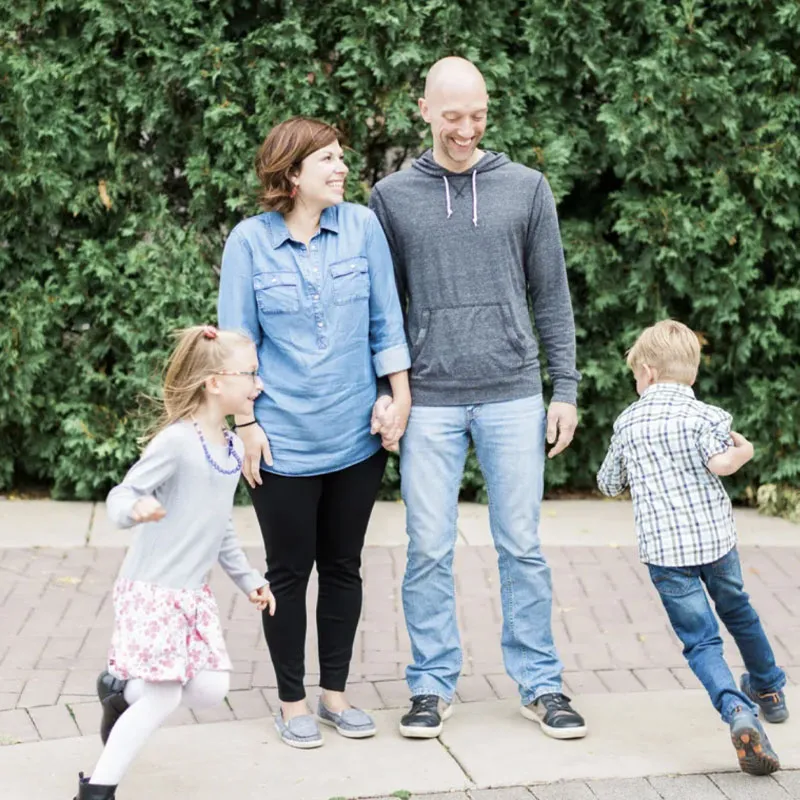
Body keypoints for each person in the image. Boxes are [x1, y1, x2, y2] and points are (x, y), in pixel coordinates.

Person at [368, 57, 587, 740]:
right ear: (425, 110)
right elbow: (383, 307)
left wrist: (567, 389)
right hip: (429, 399)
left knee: (522, 546)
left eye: (479, 114)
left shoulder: (525, 188)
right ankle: (431, 685)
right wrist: (388, 393)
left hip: (513, 394)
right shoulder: (391, 196)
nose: (467, 129)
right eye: (454, 115)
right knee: (427, 548)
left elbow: (551, 296)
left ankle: (541, 684)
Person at [217, 117, 411, 749]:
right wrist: (244, 424)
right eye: (326, 159)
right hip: (283, 442)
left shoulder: (362, 227)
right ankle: (293, 702)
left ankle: (335, 696)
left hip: (356, 438)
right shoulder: (248, 242)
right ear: (290, 173)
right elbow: (237, 343)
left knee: (345, 567)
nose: (341, 169)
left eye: (341, 158)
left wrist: (398, 398)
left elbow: (387, 322)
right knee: (288, 574)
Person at [74, 325, 276, 800]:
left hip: (191, 594)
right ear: (215, 383)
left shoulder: (227, 446)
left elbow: (219, 523)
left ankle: (120, 693)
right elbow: (123, 494)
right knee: (163, 693)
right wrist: (135, 509)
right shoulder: (177, 442)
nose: (258, 384)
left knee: (210, 687)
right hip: (151, 590)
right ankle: (96, 791)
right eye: (250, 374)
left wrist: (248, 578)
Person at [597, 319, 787, 776]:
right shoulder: (708, 416)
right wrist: (742, 455)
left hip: (666, 554)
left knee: (700, 641)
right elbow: (721, 463)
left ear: (646, 371)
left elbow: (608, 483)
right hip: (716, 545)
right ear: (693, 375)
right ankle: (770, 692)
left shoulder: (628, 422)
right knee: (739, 612)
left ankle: (737, 711)